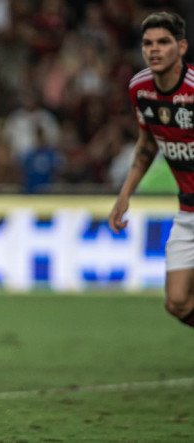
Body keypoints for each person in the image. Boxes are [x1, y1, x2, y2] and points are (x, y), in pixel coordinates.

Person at [109, 11, 194, 329]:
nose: (154, 49)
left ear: (181, 47)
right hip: (187, 210)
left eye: (163, 42)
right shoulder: (140, 88)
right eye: (147, 43)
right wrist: (125, 194)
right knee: (177, 302)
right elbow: (147, 144)